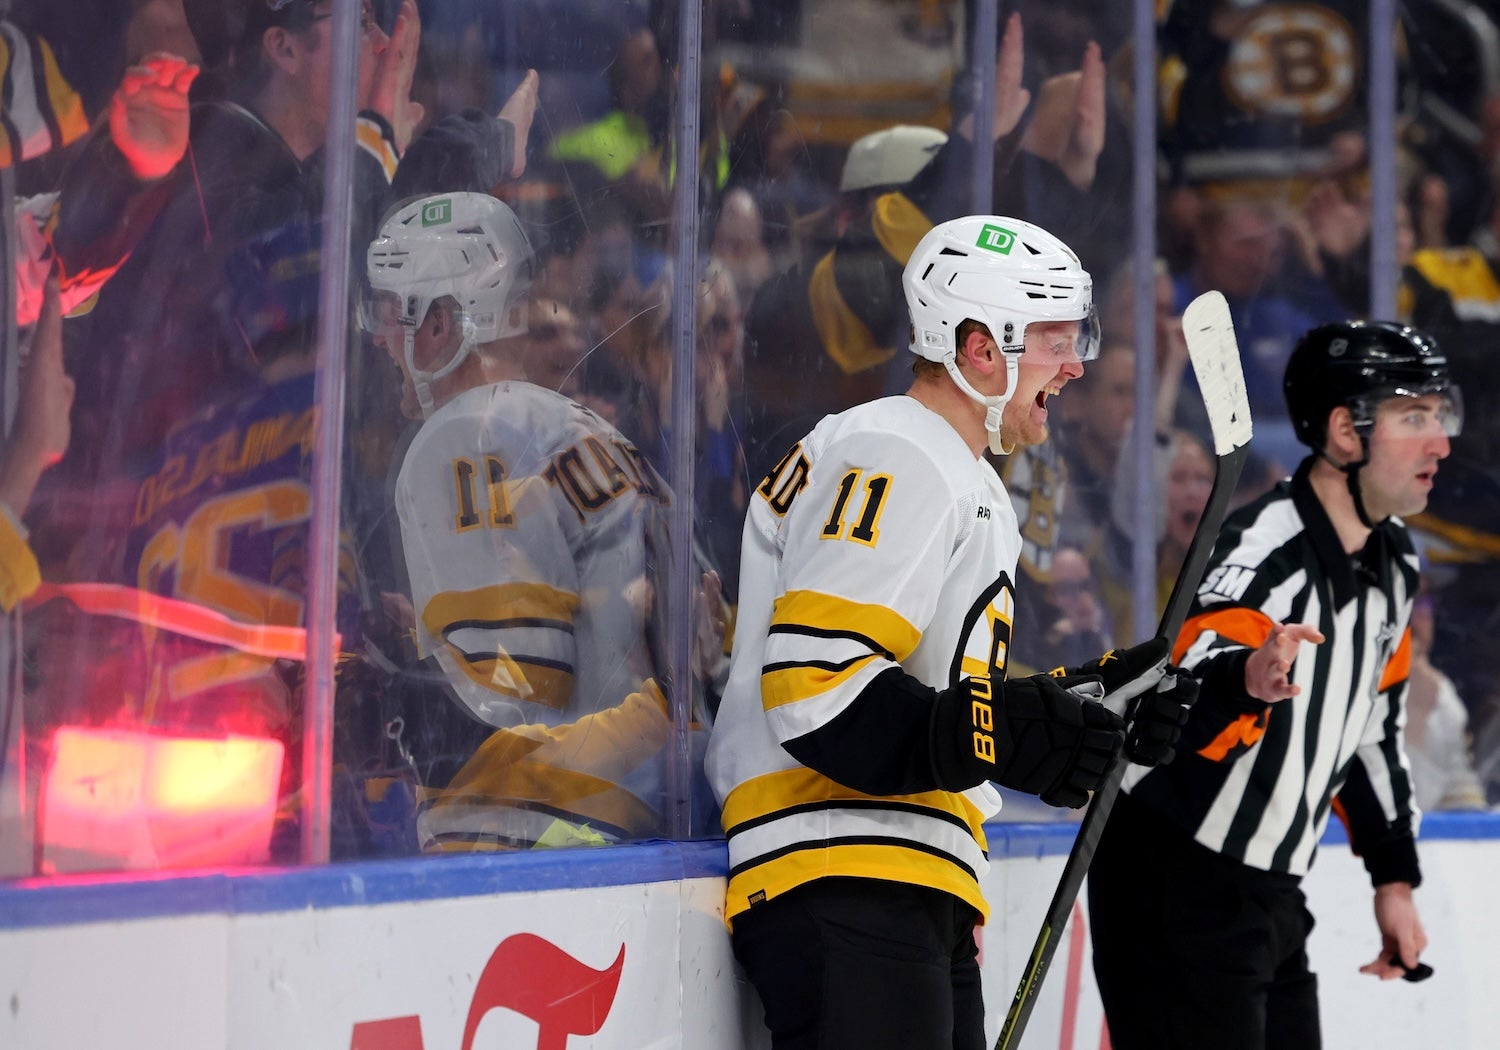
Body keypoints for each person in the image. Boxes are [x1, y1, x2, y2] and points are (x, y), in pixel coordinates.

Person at [705, 214, 1196, 1050]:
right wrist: (1003, 733)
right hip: (842, 865)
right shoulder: (896, 449)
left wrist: (1088, 704)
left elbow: (935, 699)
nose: (1075, 363)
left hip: (903, 873)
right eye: (1052, 338)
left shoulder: (958, 474)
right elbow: (817, 689)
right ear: (979, 349)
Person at [1089, 320, 1455, 1050]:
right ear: (1346, 433)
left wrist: (1393, 877)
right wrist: (1243, 681)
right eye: (1415, 416)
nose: (1440, 441)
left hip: (1270, 891)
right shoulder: (1263, 554)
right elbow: (1171, 695)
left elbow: (1371, 731)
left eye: (1441, 415)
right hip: (1176, 876)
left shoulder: (1394, 562)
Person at [364, 191, 719, 850]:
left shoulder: (467, 434)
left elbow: (514, 699)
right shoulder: (584, 433)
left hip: (537, 832)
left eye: (391, 312)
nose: (381, 335)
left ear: (440, 323)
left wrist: (388, 695)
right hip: (647, 821)